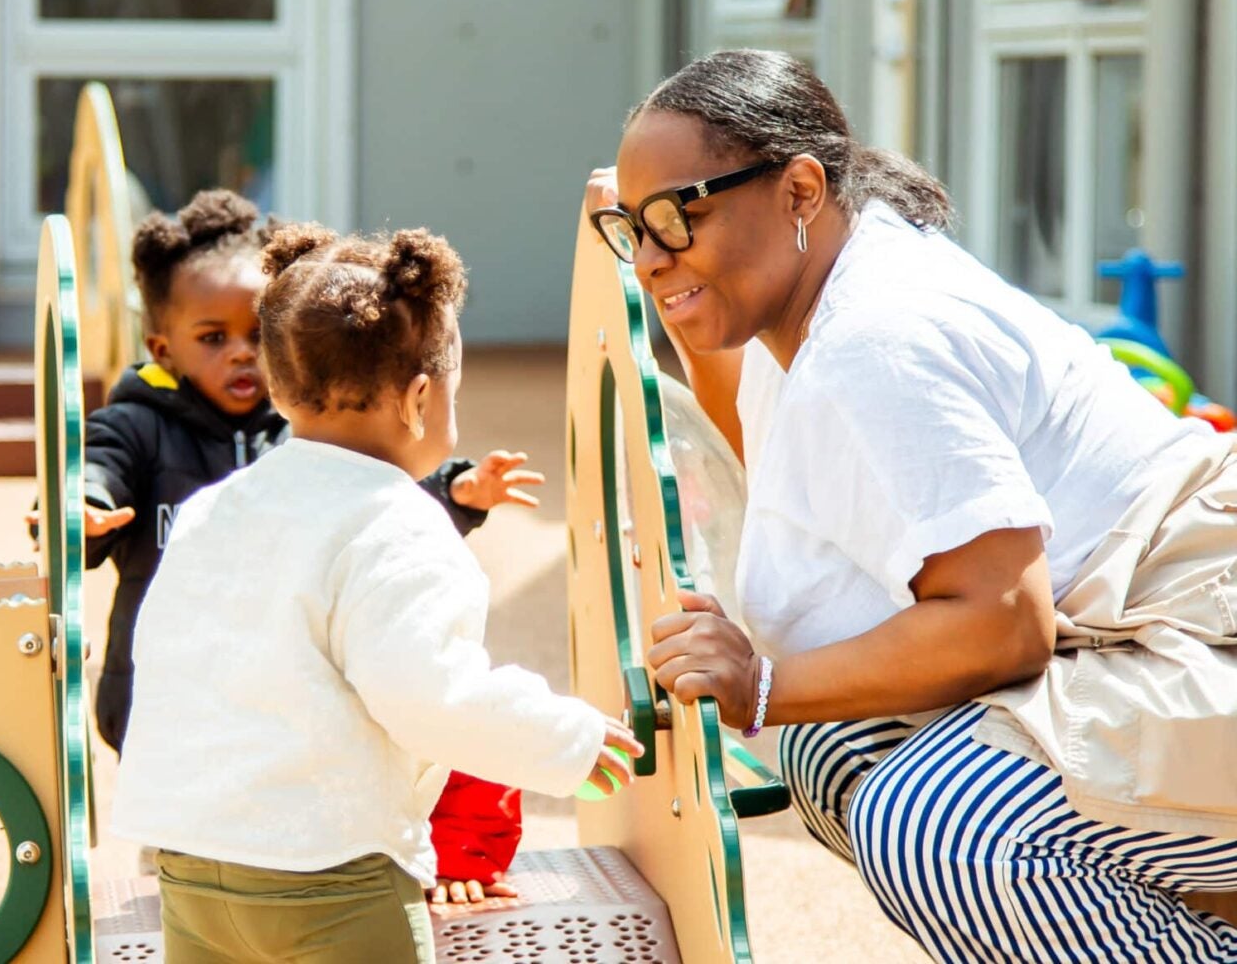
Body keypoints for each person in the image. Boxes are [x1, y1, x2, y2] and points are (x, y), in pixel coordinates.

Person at [586, 49, 1237, 962]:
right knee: (834, 746)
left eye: (678, 217)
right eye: (633, 228)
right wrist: (669, 262)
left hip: (1199, 630)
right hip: (1134, 629)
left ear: (800, 189)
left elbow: (1005, 623)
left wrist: (760, 684)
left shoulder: (875, 339)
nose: (653, 258)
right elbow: (764, 435)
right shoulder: (818, 289)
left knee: (945, 827)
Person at [113, 222, 642, 963]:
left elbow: (170, 660)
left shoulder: (214, 508)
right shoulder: (398, 524)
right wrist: (569, 742)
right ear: (421, 398)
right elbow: (431, 695)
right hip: (330, 874)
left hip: (192, 864)